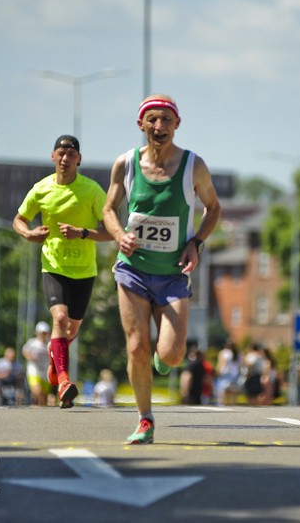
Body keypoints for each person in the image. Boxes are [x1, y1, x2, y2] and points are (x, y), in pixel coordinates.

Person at [102, 94, 221, 444]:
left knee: (171, 353)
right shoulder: (125, 165)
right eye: (152, 120)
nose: (159, 127)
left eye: (166, 120)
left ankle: (163, 359)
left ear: (177, 125)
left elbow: (213, 208)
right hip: (133, 271)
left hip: (172, 274)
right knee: (136, 346)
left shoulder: (192, 166)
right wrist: (120, 234)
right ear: (141, 124)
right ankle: (145, 420)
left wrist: (195, 242)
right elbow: (109, 209)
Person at [13, 134, 111, 409]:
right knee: (59, 317)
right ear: (53, 157)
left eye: (71, 154)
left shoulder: (92, 190)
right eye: (61, 153)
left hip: (84, 270)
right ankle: (65, 381)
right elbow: (19, 219)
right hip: (53, 266)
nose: (65, 158)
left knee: (71, 330)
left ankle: (56, 362)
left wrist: (82, 233)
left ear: (79, 159)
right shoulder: (41, 189)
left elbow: (111, 231)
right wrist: (29, 234)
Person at [22, 321, 52, 406]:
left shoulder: (49, 344)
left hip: (45, 372)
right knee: (37, 392)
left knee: (44, 397)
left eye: (45, 333)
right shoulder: (32, 342)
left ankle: (38, 411)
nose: (43, 335)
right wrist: (29, 356)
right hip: (34, 370)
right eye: (42, 333)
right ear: (37, 333)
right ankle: (34, 404)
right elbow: (24, 351)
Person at [215, 341, 241, 406]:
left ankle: (223, 407)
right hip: (235, 375)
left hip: (225, 374)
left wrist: (217, 372)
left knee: (223, 394)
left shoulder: (224, 353)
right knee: (233, 394)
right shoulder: (238, 354)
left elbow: (220, 364)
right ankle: (233, 406)